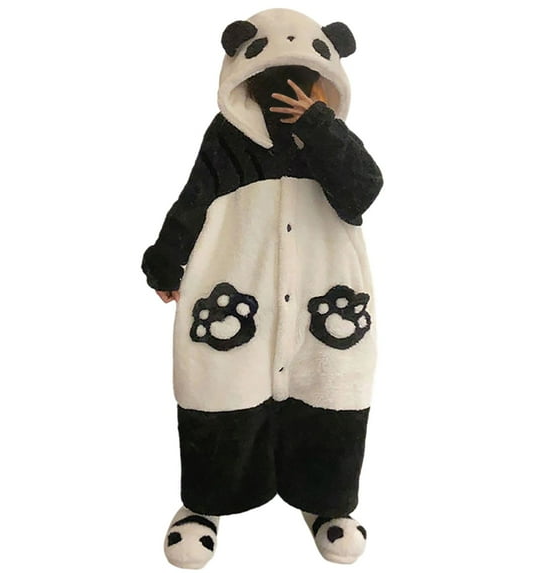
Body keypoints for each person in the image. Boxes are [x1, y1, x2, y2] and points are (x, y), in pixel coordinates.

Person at [142, 8, 383, 568]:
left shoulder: (329, 139)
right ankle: (204, 503)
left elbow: (363, 191)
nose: (287, 94)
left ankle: (325, 501)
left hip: (325, 298)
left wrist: (319, 124)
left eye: (305, 79)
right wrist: (167, 263)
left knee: (327, 390)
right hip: (234, 293)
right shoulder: (227, 139)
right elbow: (193, 199)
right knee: (219, 388)